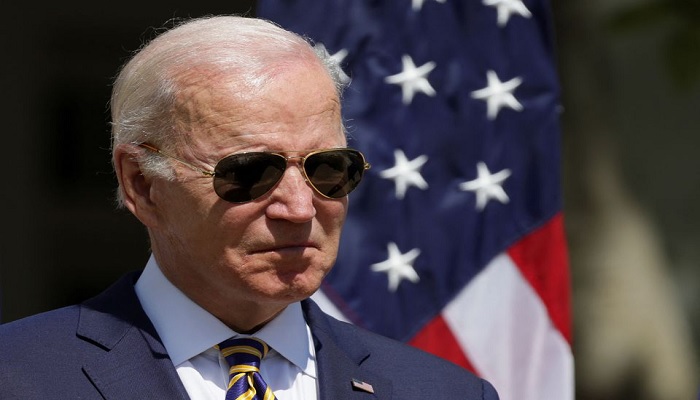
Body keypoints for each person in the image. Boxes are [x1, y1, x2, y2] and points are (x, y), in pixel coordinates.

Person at [0, 15, 499, 400]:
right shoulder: (19, 375)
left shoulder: (442, 391)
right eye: (249, 173)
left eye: (328, 169)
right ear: (143, 185)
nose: (300, 208)